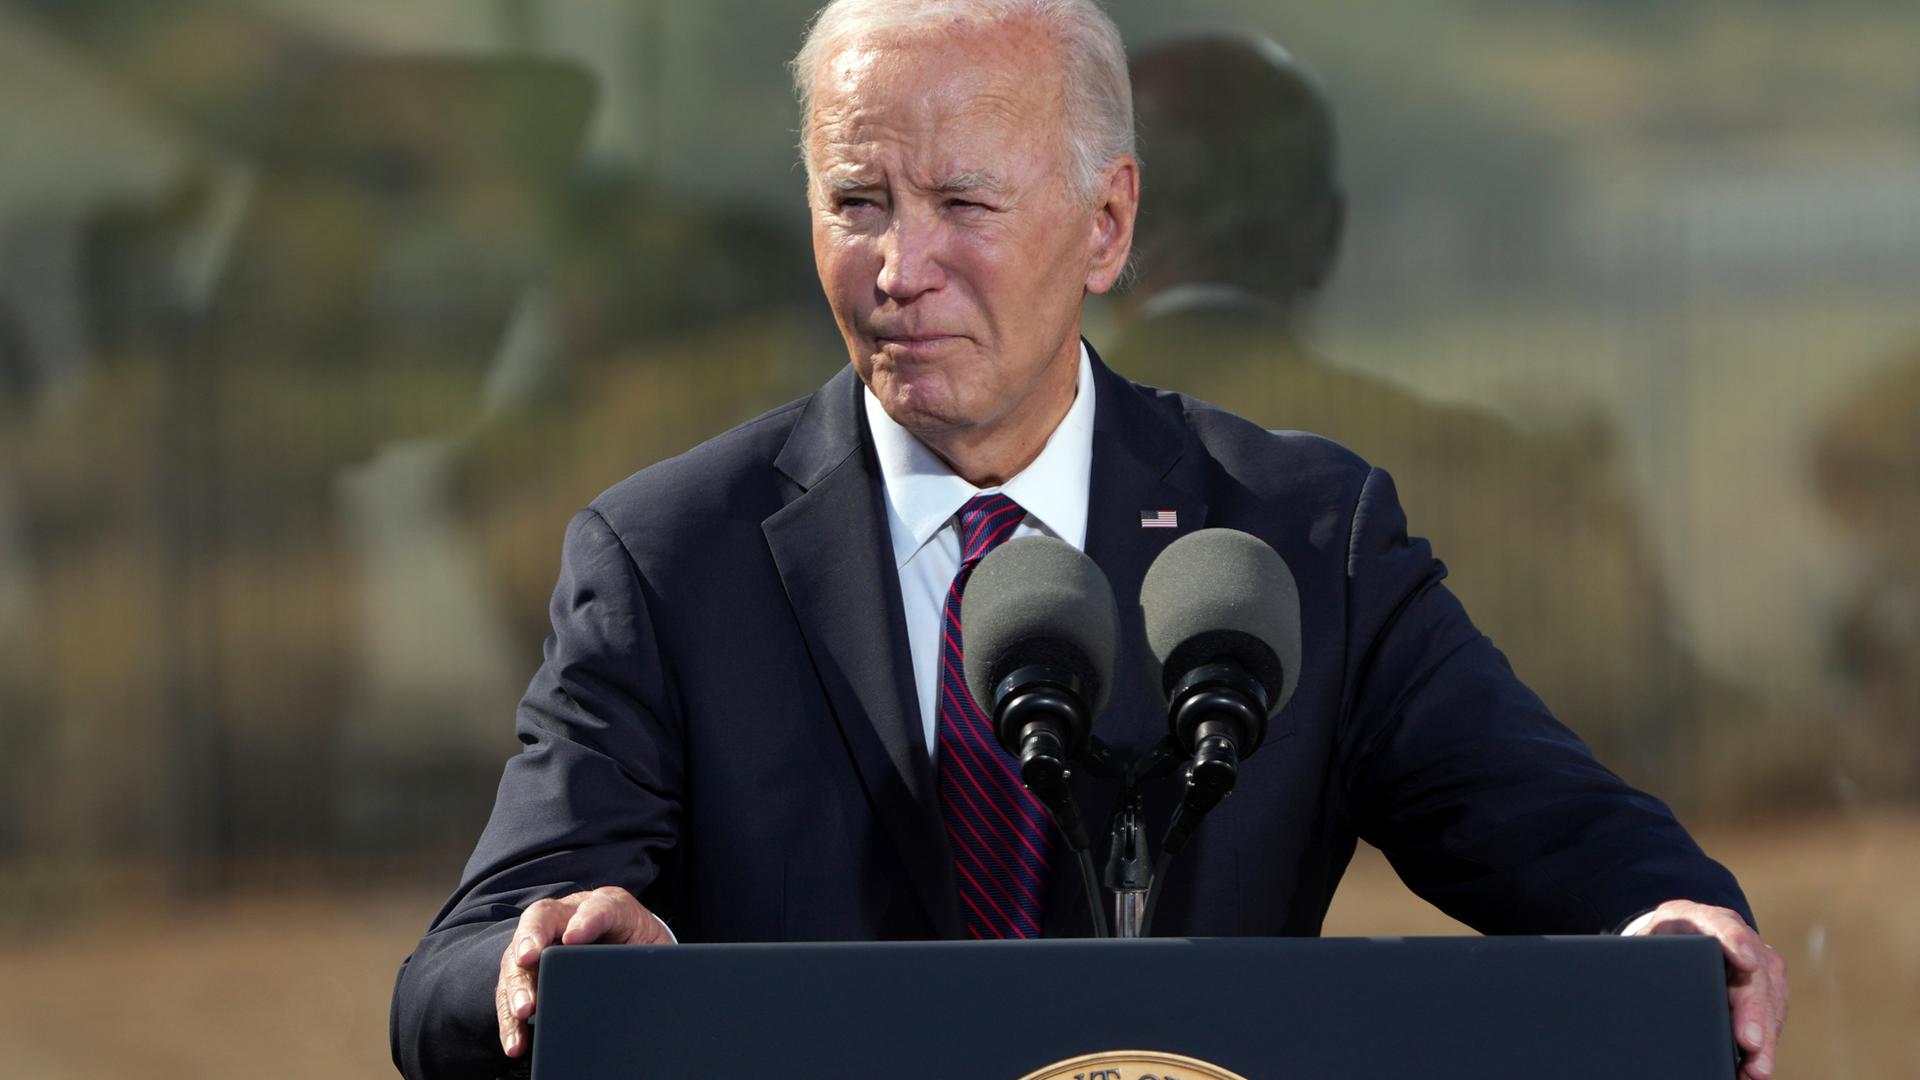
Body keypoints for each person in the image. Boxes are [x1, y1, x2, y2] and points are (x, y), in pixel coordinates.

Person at [389, 2, 1787, 1077]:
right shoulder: (668, 560)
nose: (898, 266)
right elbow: (451, 974)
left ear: (1107, 224)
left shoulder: (1301, 540)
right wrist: (540, 965)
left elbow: (1582, 850)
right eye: (856, 202)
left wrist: (1678, 930)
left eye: (963, 204)